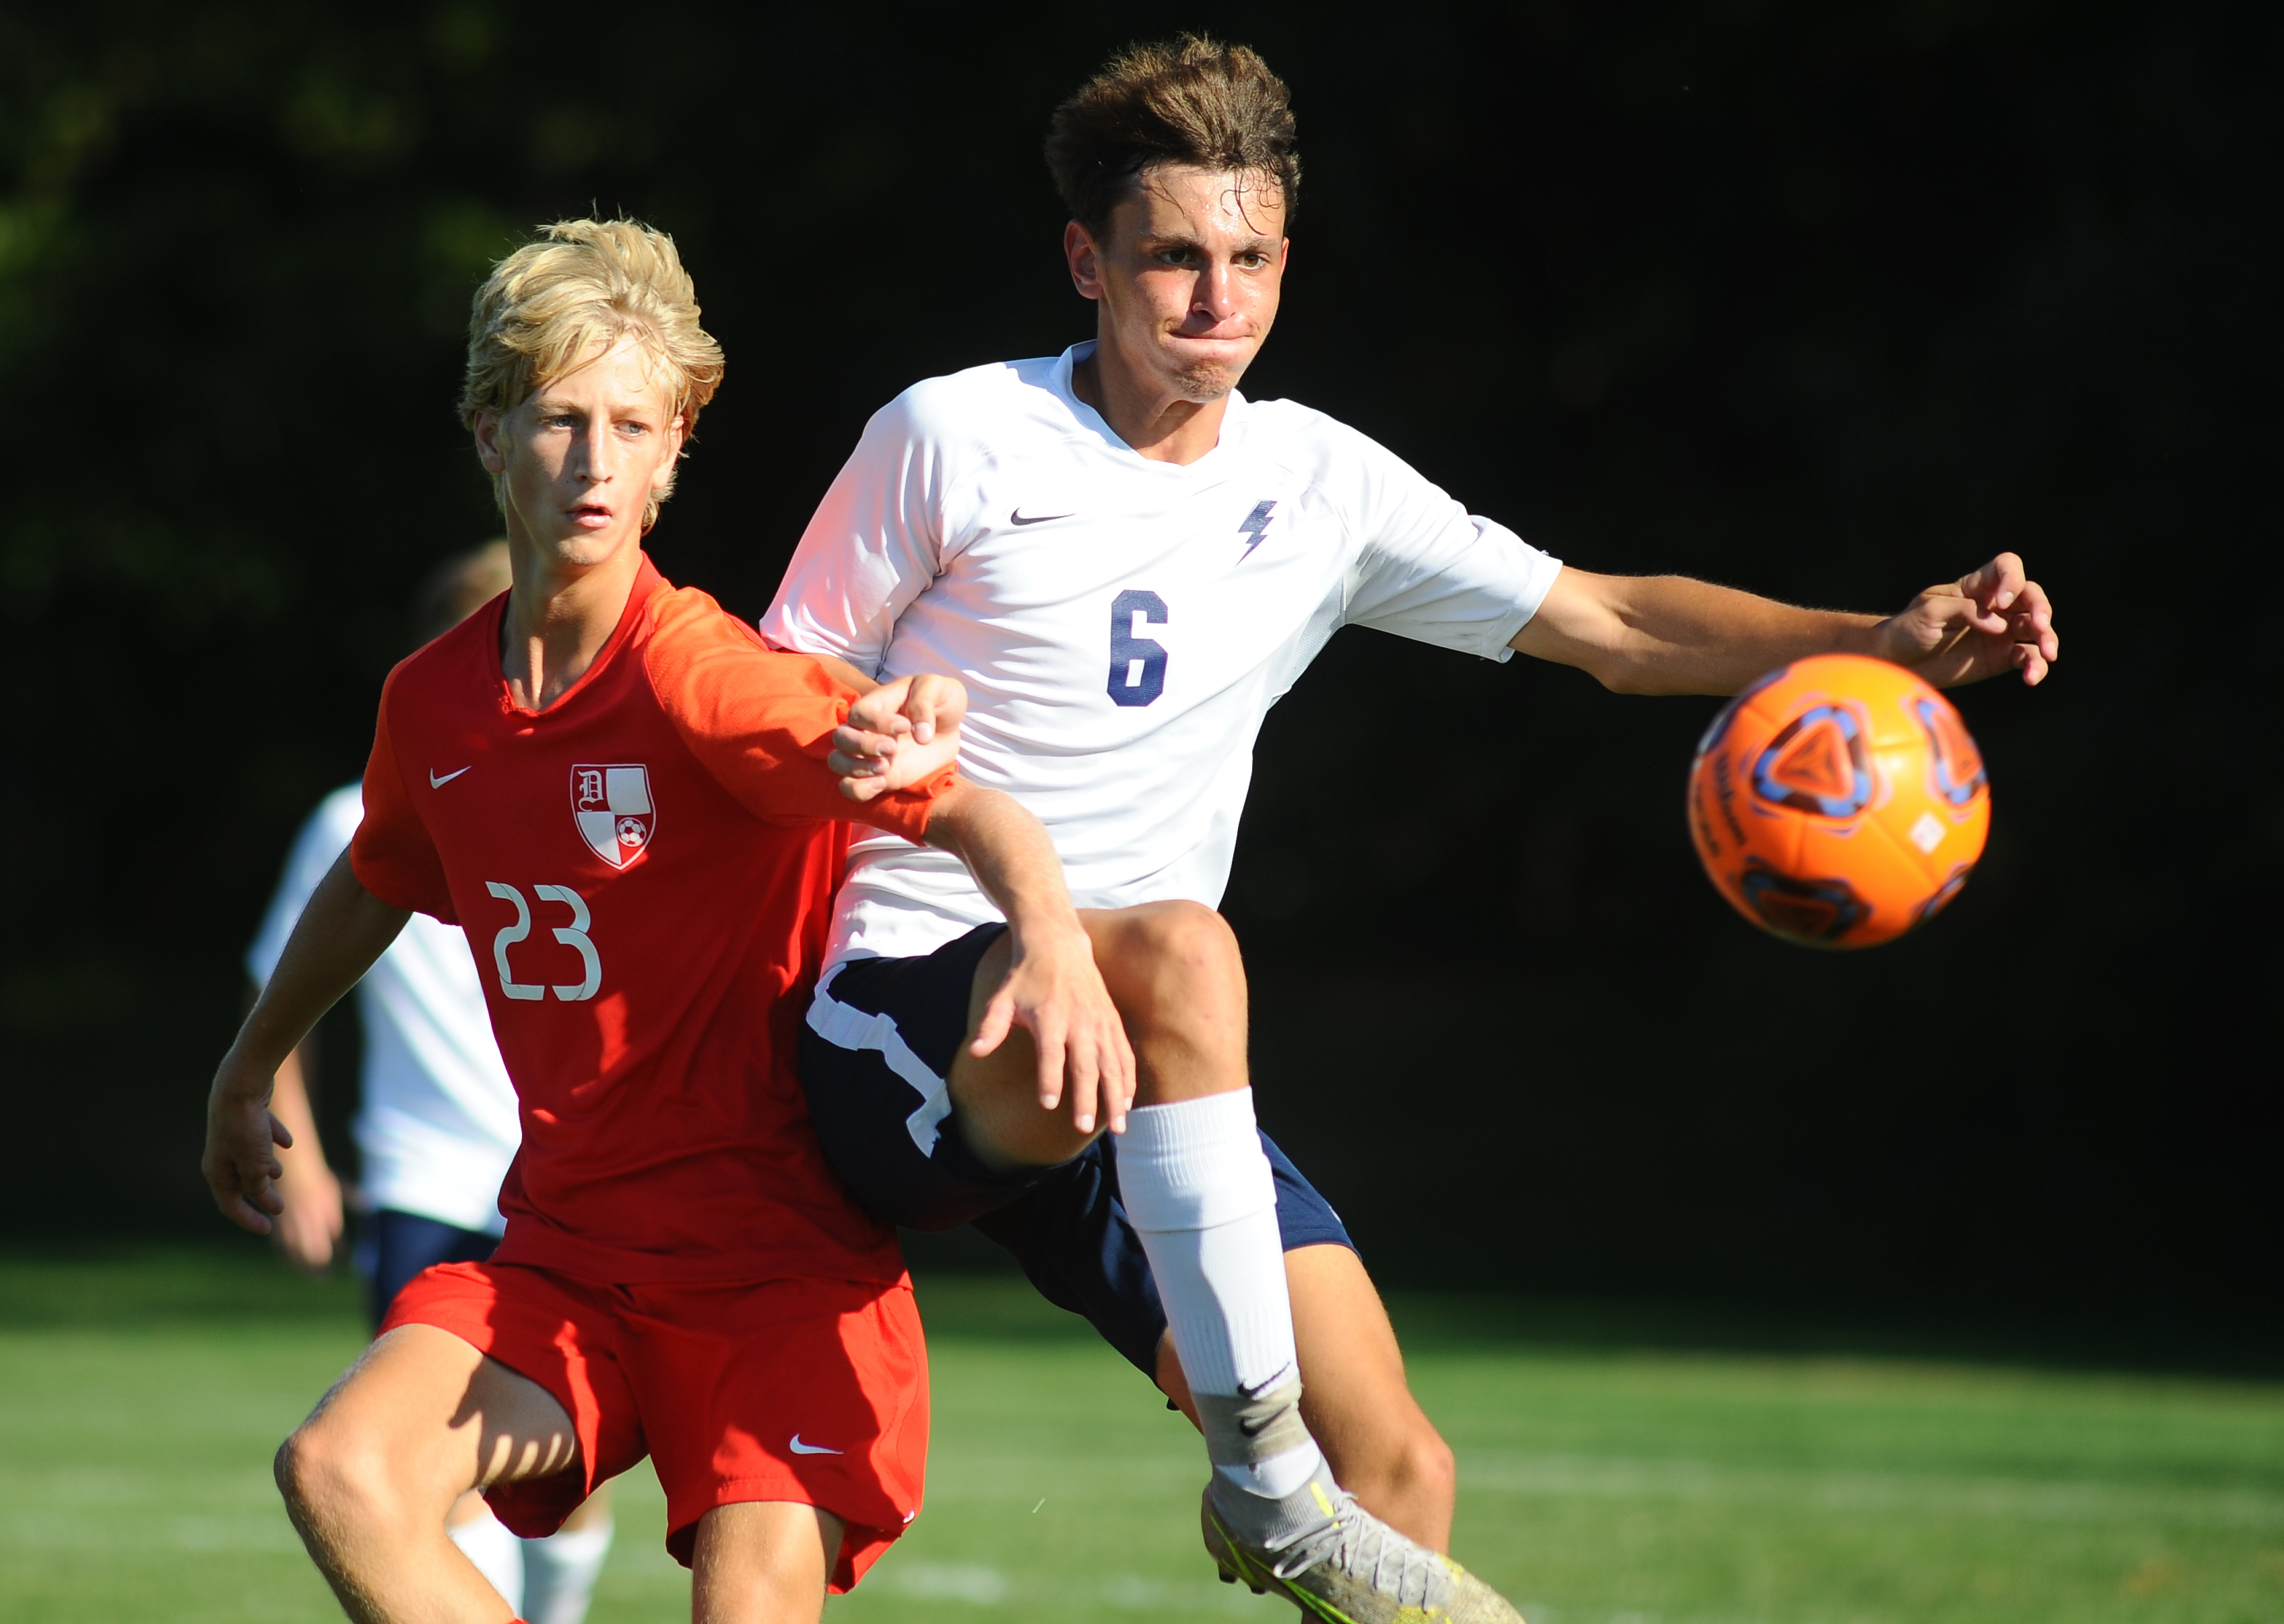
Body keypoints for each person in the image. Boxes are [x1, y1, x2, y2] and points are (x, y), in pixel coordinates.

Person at [764, 34, 2060, 1624]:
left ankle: (1288, 1479)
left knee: (1400, 1477)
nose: (1211, 300)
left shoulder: (1318, 484)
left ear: (1286, 263)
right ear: (1084, 260)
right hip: (910, 1011)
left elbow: (1610, 622)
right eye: (1170, 257)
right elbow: (771, 690)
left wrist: (1881, 637)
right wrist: (857, 730)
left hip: (1155, 1067)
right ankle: (1259, 1477)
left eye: (1246, 260)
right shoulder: (952, 438)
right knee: (1180, 957)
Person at [203, 217, 1132, 1624]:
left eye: (631, 426)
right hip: (567, 1265)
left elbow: (972, 813)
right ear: (486, 434)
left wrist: (1052, 941)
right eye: (560, 420)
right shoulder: (433, 703)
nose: (593, 462)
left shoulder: (711, 681)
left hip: (782, 1284)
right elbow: (379, 872)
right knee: (340, 1471)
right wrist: (251, 1060)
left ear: (675, 449)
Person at [247, 540, 614, 1624]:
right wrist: (301, 1156)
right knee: (426, 1465)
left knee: (564, 1476)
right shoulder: (351, 822)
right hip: (426, 1186)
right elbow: (281, 997)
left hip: (567, 1184)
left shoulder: (600, 799)